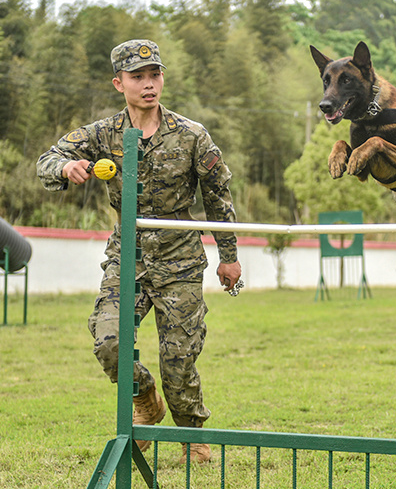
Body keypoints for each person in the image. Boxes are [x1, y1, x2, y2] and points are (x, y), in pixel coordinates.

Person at [36, 39, 242, 464]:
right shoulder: (102, 134)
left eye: (155, 75)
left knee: (179, 359)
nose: (148, 85)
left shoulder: (192, 135)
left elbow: (218, 198)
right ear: (119, 83)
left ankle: (191, 434)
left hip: (180, 260)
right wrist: (66, 167)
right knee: (109, 342)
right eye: (137, 77)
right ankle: (145, 399)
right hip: (126, 258)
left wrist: (229, 255)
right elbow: (48, 158)